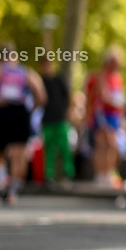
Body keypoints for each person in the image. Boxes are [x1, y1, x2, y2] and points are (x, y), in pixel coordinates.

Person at [0, 46, 47, 204]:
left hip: (0, 112)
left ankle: (2, 182)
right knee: (19, 154)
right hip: (20, 112)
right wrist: (31, 110)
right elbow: (41, 96)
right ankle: (13, 190)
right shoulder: (26, 72)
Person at [85, 47, 126, 189]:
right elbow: (100, 96)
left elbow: (121, 98)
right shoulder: (99, 76)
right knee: (104, 144)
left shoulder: (117, 78)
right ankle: (102, 174)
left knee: (112, 145)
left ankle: (109, 173)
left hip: (115, 115)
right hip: (103, 114)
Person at [39, 57, 74, 185]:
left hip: (61, 120)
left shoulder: (59, 80)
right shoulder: (41, 81)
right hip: (48, 121)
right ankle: (49, 175)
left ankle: (68, 173)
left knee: (64, 148)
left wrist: (68, 112)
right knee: (49, 150)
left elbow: (69, 96)